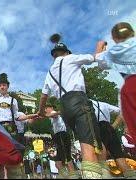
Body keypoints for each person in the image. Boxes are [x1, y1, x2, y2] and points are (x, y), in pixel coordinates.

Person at [37, 39, 106, 178]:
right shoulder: (71, 58)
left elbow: (43, 96)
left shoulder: (50, 71)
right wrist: (100, 46)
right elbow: (95, 58)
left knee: (83, 140)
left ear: (54, 55)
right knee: (89, 145)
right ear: (67, 52)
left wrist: (40, 112)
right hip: (79, 101)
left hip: (65, 107)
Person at [0, 73, 38, 179]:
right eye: (0, 85)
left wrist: (31, 117)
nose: (2, 87)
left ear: (7, 86)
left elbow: (17, 116)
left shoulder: (13, 101)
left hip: (11, 130)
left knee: (12, 160)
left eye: (4, 85)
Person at [95, 22, 136, 147]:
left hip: (131, 86)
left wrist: (100, 46)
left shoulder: (116, 51)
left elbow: (99, 62)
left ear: (114, 38)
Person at [91, 99, 136, 178]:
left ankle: (105, 176)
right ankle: (132, 176)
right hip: (109, 128)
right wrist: (114, 126)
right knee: (119, 156)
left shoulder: (82, 103)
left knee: (101, 159)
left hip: (96, 129)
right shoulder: (103, 103)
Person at [44, 104, 78, 178]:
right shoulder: (51, 116)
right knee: (59, 160)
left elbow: (55, 115)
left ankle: (72, 175)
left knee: (67, 156)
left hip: (61, 135)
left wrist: (44, 115)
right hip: (58, 136)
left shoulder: (53, 113)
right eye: (45, 109)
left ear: (51, 108)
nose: (45, 110)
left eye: (46, 108)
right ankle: (67, 175)